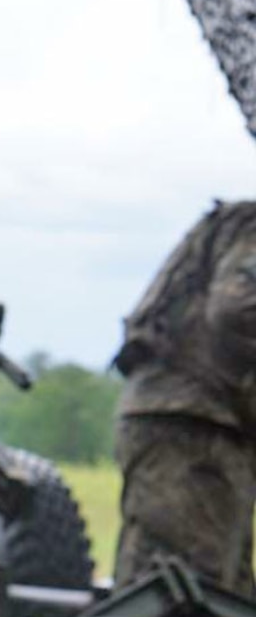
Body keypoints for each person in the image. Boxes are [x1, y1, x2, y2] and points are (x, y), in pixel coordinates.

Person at [112, 200, 256, 596]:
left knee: (221, 606)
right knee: (176, 604)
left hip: (208, 427)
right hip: (192, 428)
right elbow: (237, 309)